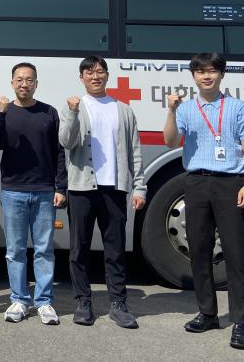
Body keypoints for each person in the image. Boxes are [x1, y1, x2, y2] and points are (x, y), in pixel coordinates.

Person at [163, 52, 244, 350]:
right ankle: (208, 313)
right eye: (201, 71)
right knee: (199, 251)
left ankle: (241, 321)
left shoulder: (238, 108)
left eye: (212, 71)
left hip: (230, 182)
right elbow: (169, 140)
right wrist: (171, 111)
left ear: (221, 74)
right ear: (193, 76)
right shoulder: (186, 109)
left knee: (236, 253)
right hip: (195, 182)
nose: (207, 76)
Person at [60, 55, 146, 329]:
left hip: (114, 189)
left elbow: (134, 152)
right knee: (79, 249)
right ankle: (83, 302)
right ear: (81, 77)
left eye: (100, 72)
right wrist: (72, 113)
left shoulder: (123, 110)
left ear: (107, 75)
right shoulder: (74, 106)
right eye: (89, 72)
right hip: (81, 188)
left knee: (115, 249)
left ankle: (118, 304)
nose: (95, 76)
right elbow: (67, 142)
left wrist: (139, 186)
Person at [0, 62, 67, 325]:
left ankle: (44, 302)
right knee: (15, 250)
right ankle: (19, 300)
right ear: (12, 83)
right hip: (13, 191)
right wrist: (0, 114)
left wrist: (60, 187)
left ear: (36, 83)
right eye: (19, 80)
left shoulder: (49, 112)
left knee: (44, 250)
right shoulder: (3, 112)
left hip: (44, 191)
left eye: (29, 80)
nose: (24, 84)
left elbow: (59, 152)